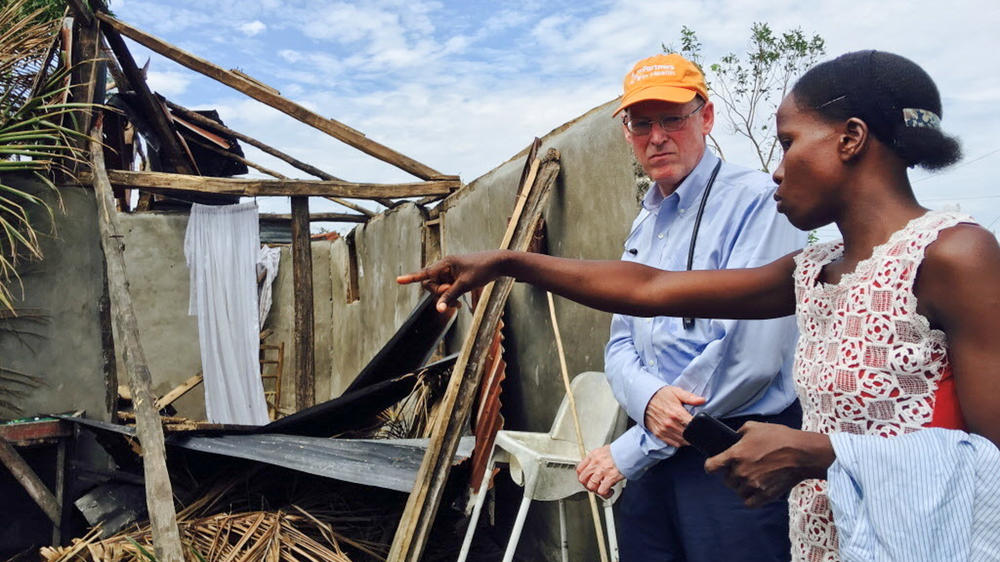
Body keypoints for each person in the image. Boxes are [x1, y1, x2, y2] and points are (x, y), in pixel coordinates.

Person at [398, 50, 1000, 561]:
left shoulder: (956, 255)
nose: (777, 167)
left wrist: (821, 452)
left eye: (788, 142)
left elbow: (991, 462)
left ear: (850, 139)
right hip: (832, 534)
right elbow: (647, 290)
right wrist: (508, 263)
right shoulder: (814, 270)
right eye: (640, 123)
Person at [576, 52, 805, 562]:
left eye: (672, 119)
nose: (656, 137)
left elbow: (749, 360)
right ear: (627, 134)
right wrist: (651, 398)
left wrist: (638, 446)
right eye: (641, 124)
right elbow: (619, 340)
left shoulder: (758, 202)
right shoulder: (646, 219)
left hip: (733, 454)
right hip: (655, 456)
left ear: (706, 117)